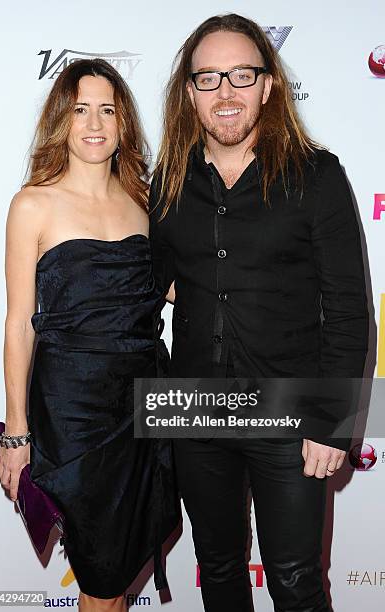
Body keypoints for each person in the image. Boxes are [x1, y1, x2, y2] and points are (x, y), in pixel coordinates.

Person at [149, 14, 369, 612]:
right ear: (189, 93)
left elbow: (350, 310)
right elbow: (154, 274)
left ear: (268, 86)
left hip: (292, 410)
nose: (226, 93)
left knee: (296, 579)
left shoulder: (316, 175)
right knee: (217, 569)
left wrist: (332, 423)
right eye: (208, 78)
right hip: (195, 407)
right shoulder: (169, 179)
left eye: (241, 75)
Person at [0, 58, 180, 612]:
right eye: (80, 110)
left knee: (118, 571)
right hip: (73, 413)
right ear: (61, 120)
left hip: (146, 404)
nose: (94, 123)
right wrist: (18, 433)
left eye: (107, 109)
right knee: (101, 572)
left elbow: (172, 292)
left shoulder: (148, 204)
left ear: (123, 122)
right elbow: (18, 323)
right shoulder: (34, 204)